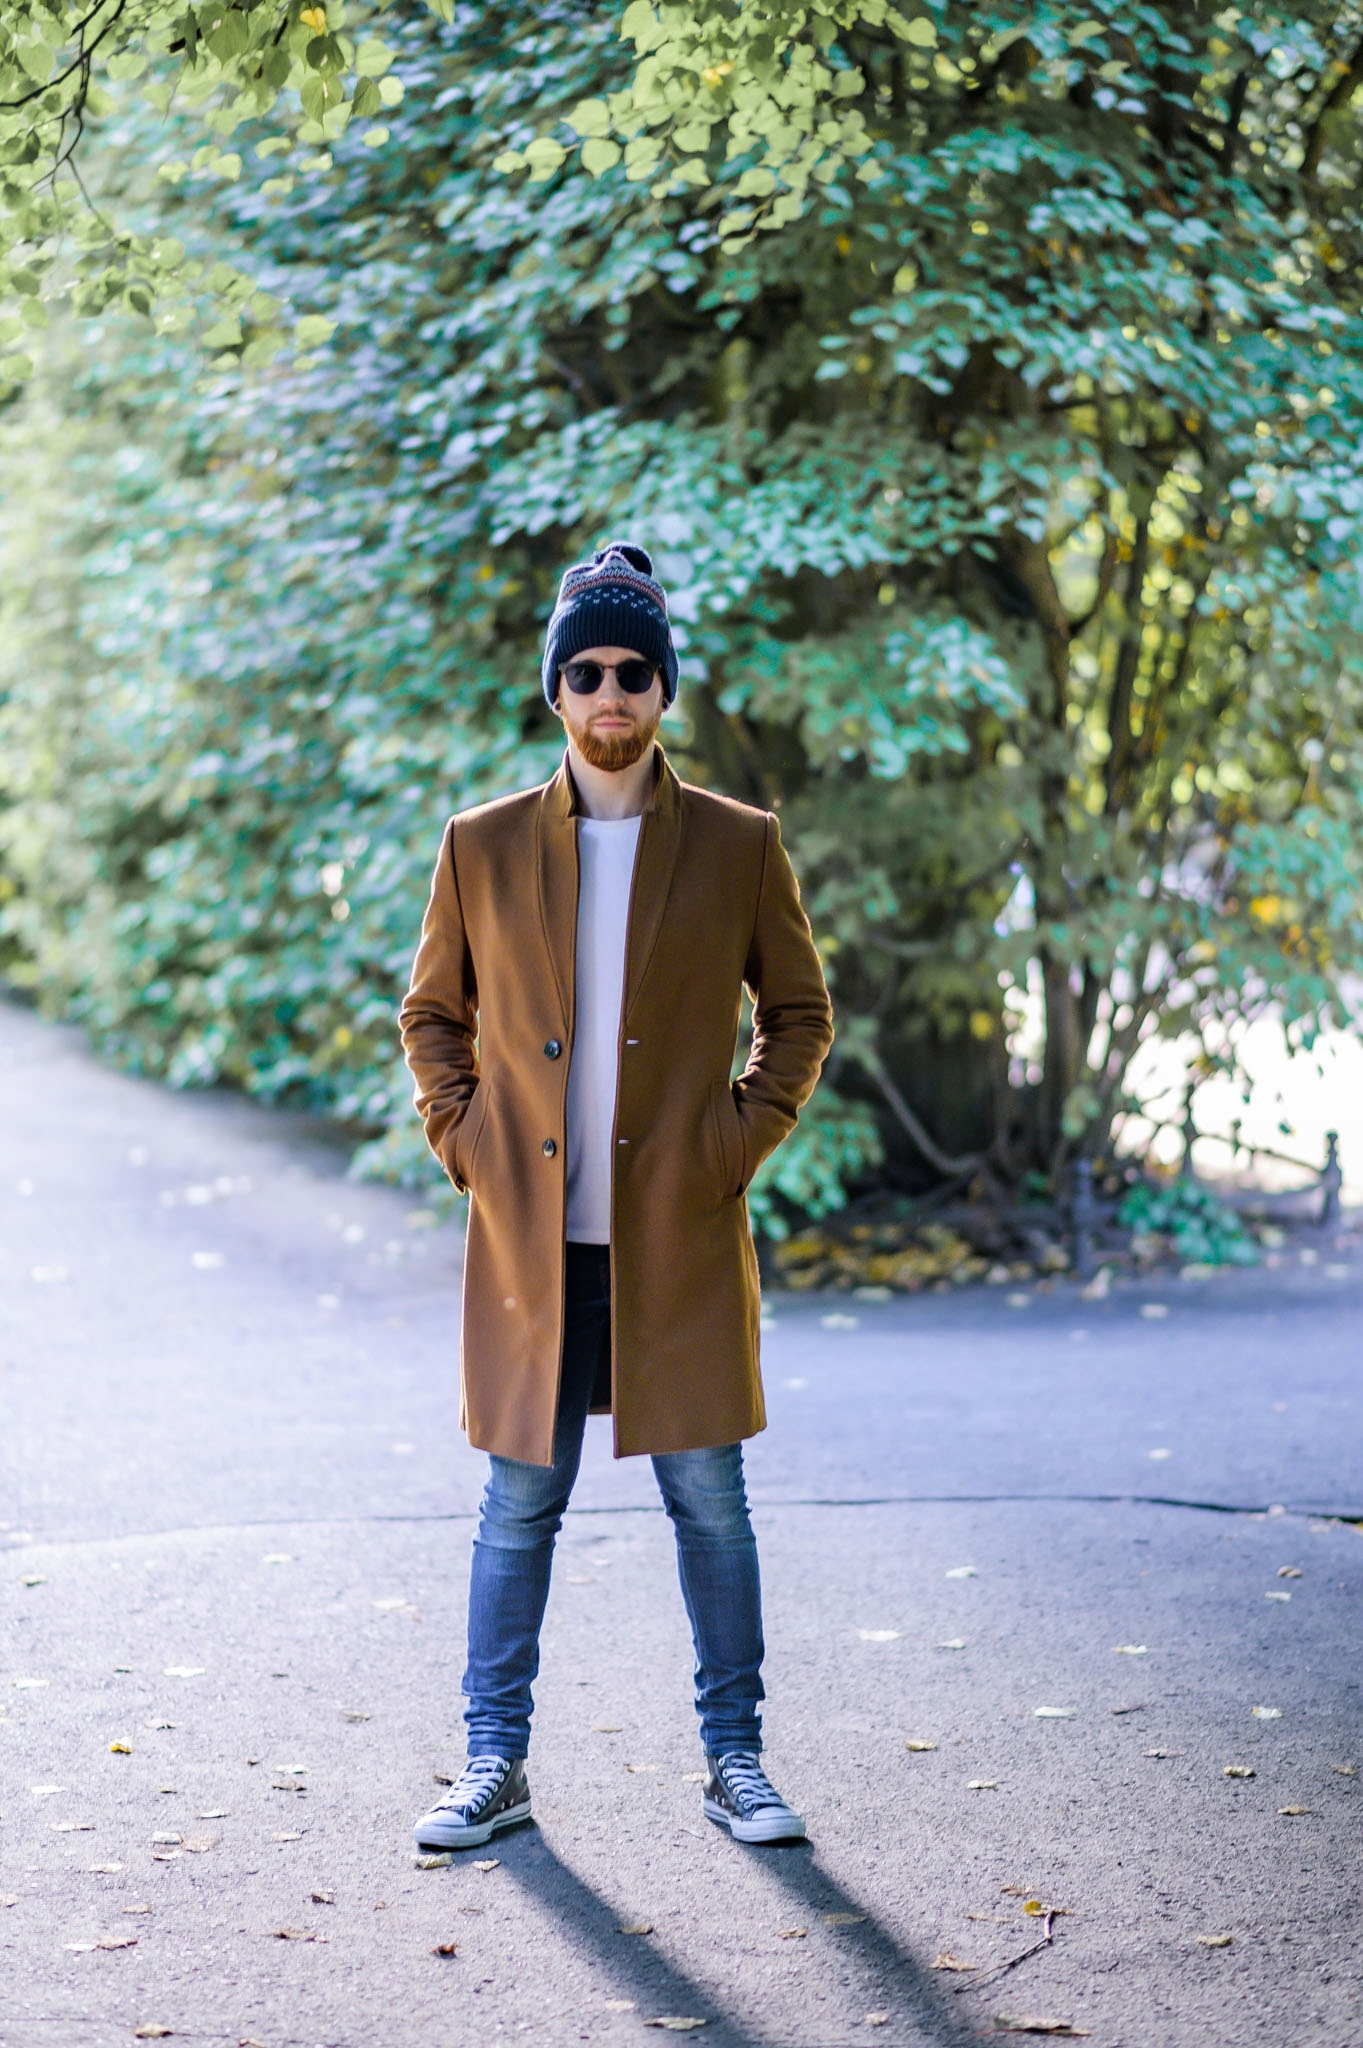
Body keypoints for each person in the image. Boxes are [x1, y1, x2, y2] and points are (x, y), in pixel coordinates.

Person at [399, 541, 833, 1852]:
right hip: (533, 1244)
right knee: (517, 1507)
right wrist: (469, 1142)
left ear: (663, 690)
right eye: (585, 670)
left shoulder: (740, 845)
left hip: (676, 1237)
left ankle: (737, 1761)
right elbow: (432, 1017)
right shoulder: (479, 845)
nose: (609, 694)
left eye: (633, 672)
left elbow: (800, 1013)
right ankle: (493, 1763)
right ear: (555, 688)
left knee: (711, 1500)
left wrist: (733, 1142)